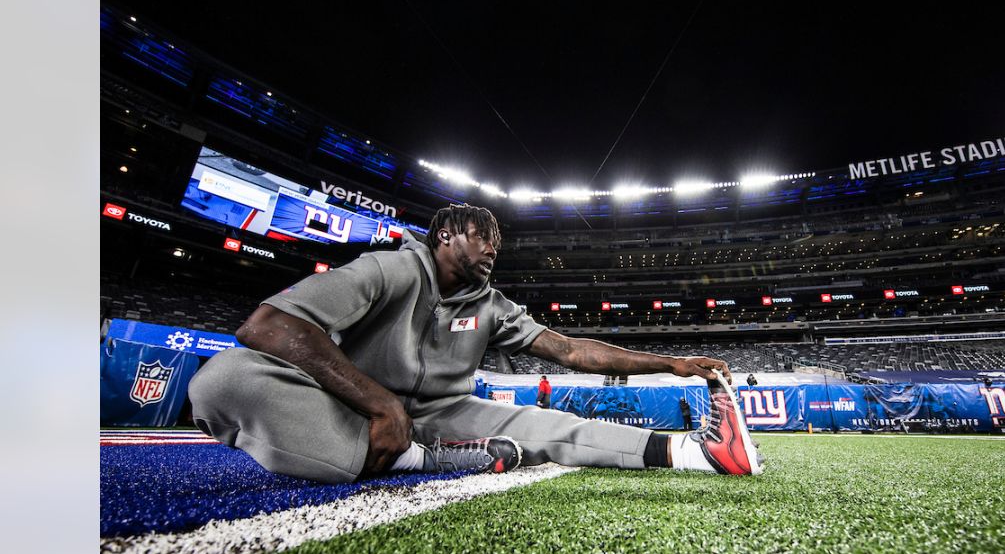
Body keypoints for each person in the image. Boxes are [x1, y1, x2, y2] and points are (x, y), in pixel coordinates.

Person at [188, 204, 761, 483]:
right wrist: (380, 403)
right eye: (480, 236)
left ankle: (696, 454)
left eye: (498, 241)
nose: (493, 247)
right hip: (354, 410)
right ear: (443, 235)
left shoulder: (492, 304)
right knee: (223, 377)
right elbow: (268, 325)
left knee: (551, 423)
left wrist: (673, 362)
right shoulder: (385, 270)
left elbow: (570, 352)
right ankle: (418, 460)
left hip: (445, 412)